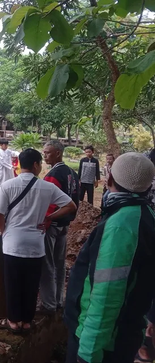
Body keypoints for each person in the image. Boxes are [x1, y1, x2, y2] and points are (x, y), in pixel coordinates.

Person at [65, 152, 155, 363]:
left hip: (101, 342)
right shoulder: (144, 214)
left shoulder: (121, 226)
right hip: (124, 333)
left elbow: (106, 295)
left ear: (110, 180)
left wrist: (88, 352)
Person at [0, 149, 76, 334]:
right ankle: (27, 322)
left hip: (12, 243)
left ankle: (14, 322)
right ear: (36, 165)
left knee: (13, 283)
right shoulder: (47, 187)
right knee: (31, 284)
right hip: (35, 245)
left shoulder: (7, 185)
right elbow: (71, 206)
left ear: (21, 164)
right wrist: (49, 218)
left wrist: (3, 231)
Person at [39, 140, 79, 314]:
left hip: (53, 224)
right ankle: (58, 300)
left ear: (58, 153)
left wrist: (45, 219)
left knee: (47, 264)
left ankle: (48, 304)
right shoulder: (72, 173)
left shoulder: (54, 175)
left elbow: (49, 204)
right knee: (59, 264)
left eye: (47, 152)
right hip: (65, 224)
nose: (44, 155)